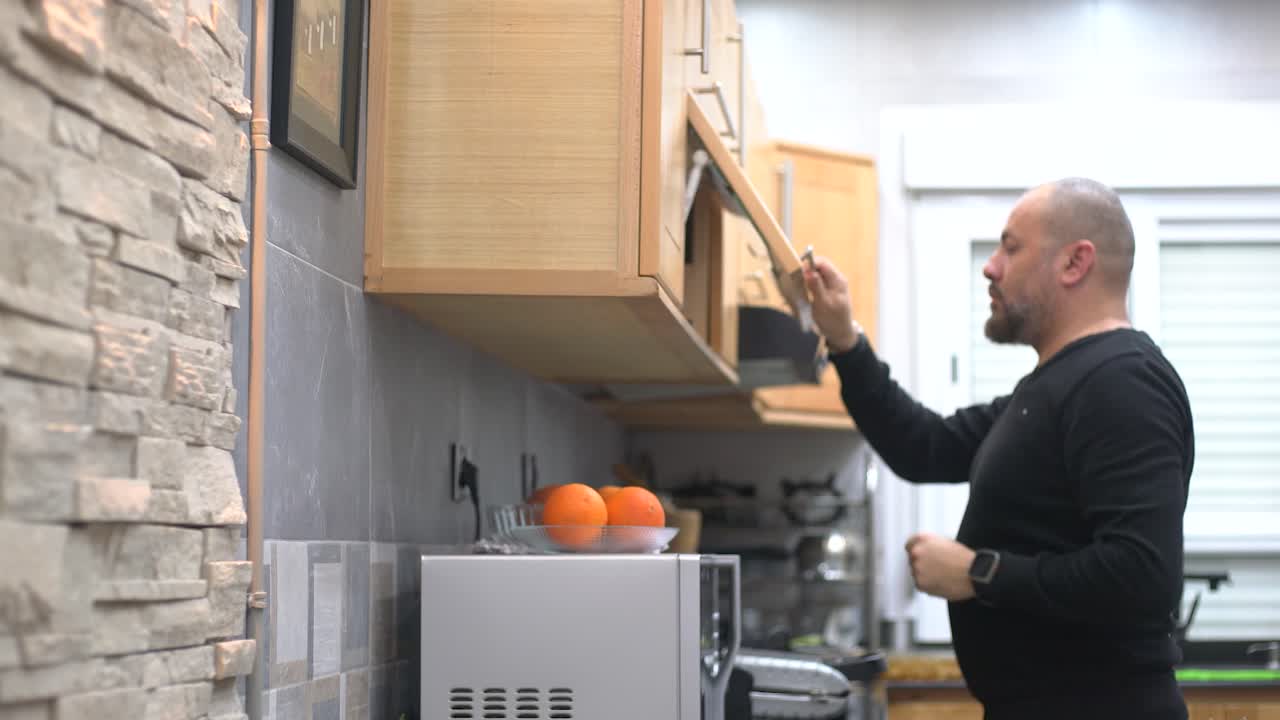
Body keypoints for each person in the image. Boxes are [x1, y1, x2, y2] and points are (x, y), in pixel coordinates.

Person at [804, 178, 1194, 720]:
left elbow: (1142, 575)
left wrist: (978, 572)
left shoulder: (1120, 382)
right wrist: (845, 340)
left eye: (1011, 247)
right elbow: (924, 447)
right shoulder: (1053, 387)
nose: (991, 267)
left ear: (1074, 264)